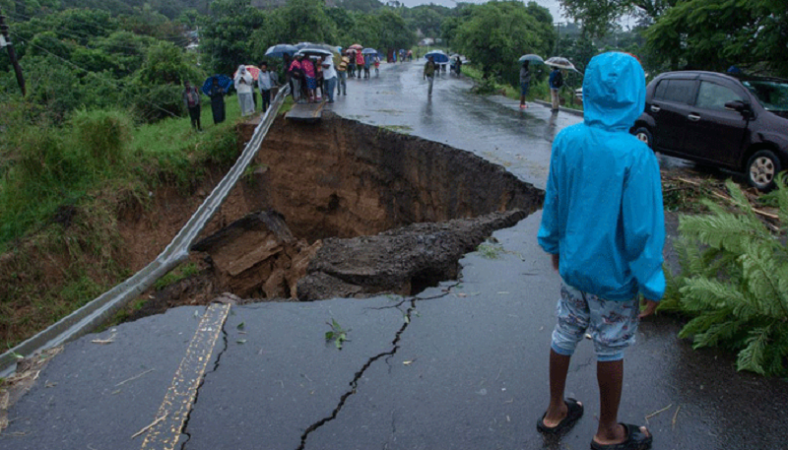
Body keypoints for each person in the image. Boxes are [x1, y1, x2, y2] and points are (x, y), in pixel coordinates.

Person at [535, 52, 662, 450]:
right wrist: (651, 282)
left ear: (587, 88)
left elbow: (554, 200)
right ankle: (607, 432)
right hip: (614, 278)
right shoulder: (636, 154)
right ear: (634, 94)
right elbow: (643, 229)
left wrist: (554, 246)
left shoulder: (567, 140)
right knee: (610, 345)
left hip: (574, 268)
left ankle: (555, 411)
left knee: (565, 331)